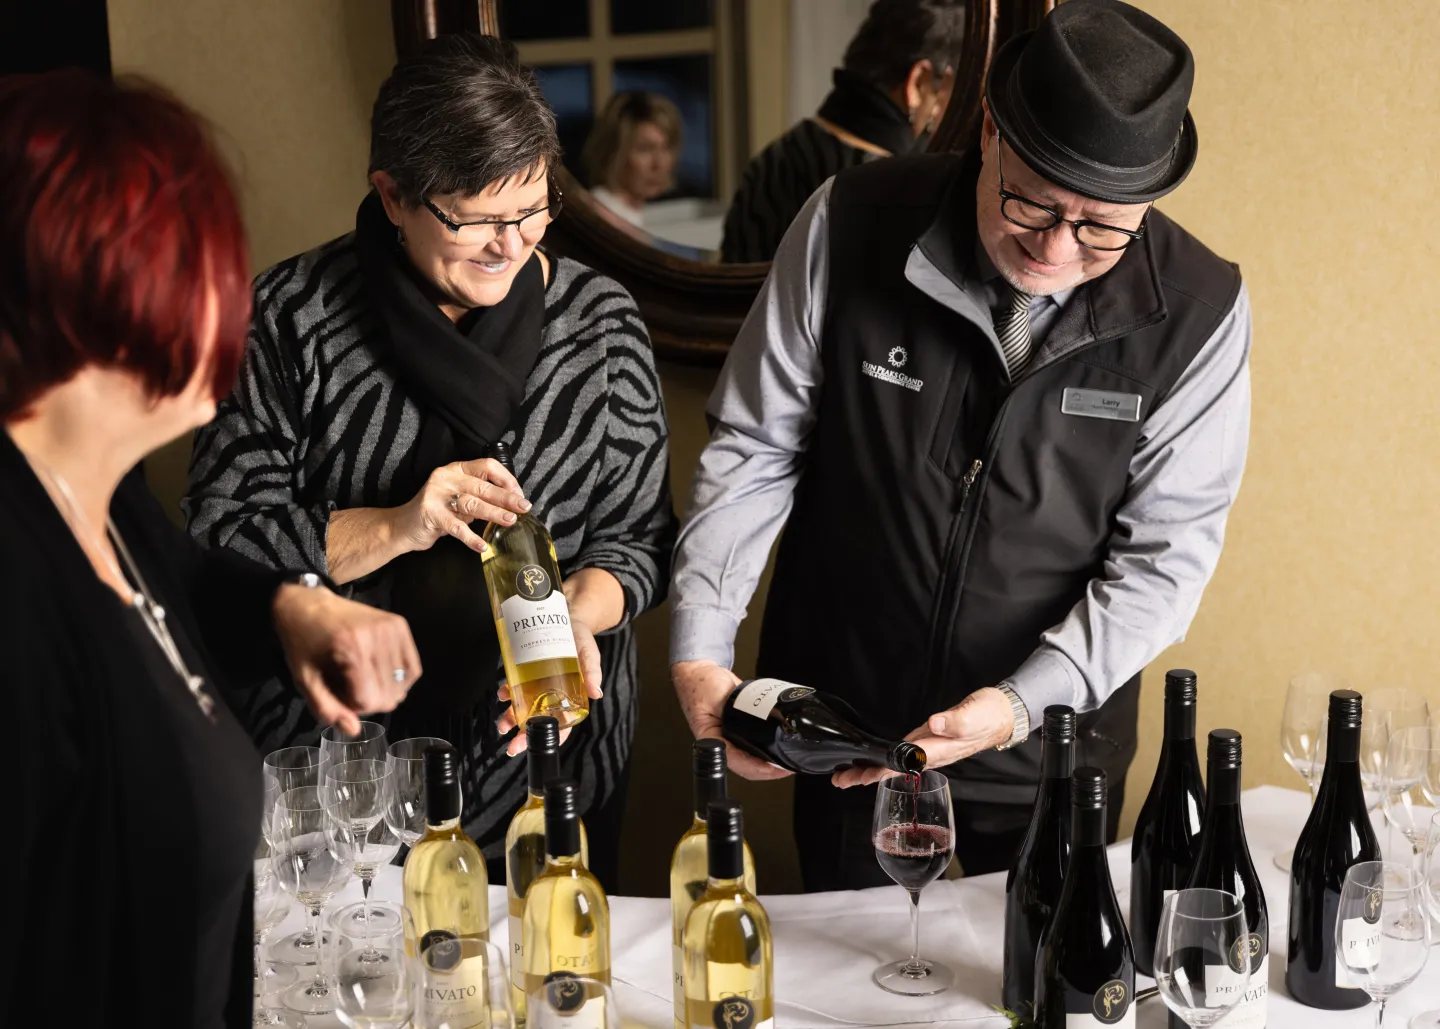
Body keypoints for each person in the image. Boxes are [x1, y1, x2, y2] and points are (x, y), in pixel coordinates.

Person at [672, 0, 1252, 891]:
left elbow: (1164, 563)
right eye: (1032, 202)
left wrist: (1021, 706)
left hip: (1054, 757)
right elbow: (756, 445)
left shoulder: (1202, 310)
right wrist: (702, 646)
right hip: (848, 735)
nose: (1056, 248)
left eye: (1101, 226)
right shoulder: (848, 220)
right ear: (987, 131)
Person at [185, 34, 677, 892]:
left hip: (550, 742)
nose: (509, 243)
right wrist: (399, 523)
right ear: (393, 195)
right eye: (477, 219)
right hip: (339, 752)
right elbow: (222, 542)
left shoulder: (601, 322)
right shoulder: (287, 318)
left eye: (531, 209)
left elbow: (638, 542)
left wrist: (570, 621)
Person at [0, 72, 418, 1026]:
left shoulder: (99, 499)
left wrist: (293, 605)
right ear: (111, 283)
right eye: (211, 268)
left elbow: (186, 577)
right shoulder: (14, 591)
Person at [720, 0, 963, 263]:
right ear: (918, 81)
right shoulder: (890, 194)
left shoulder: (772, 159)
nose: (941, 113)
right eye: (949, 91)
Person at [583, 90, 683, 230]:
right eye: (645, 150)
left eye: (666, 149)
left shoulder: (637, 213)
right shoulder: (602, 215)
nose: (659, 164)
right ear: (615, 153)